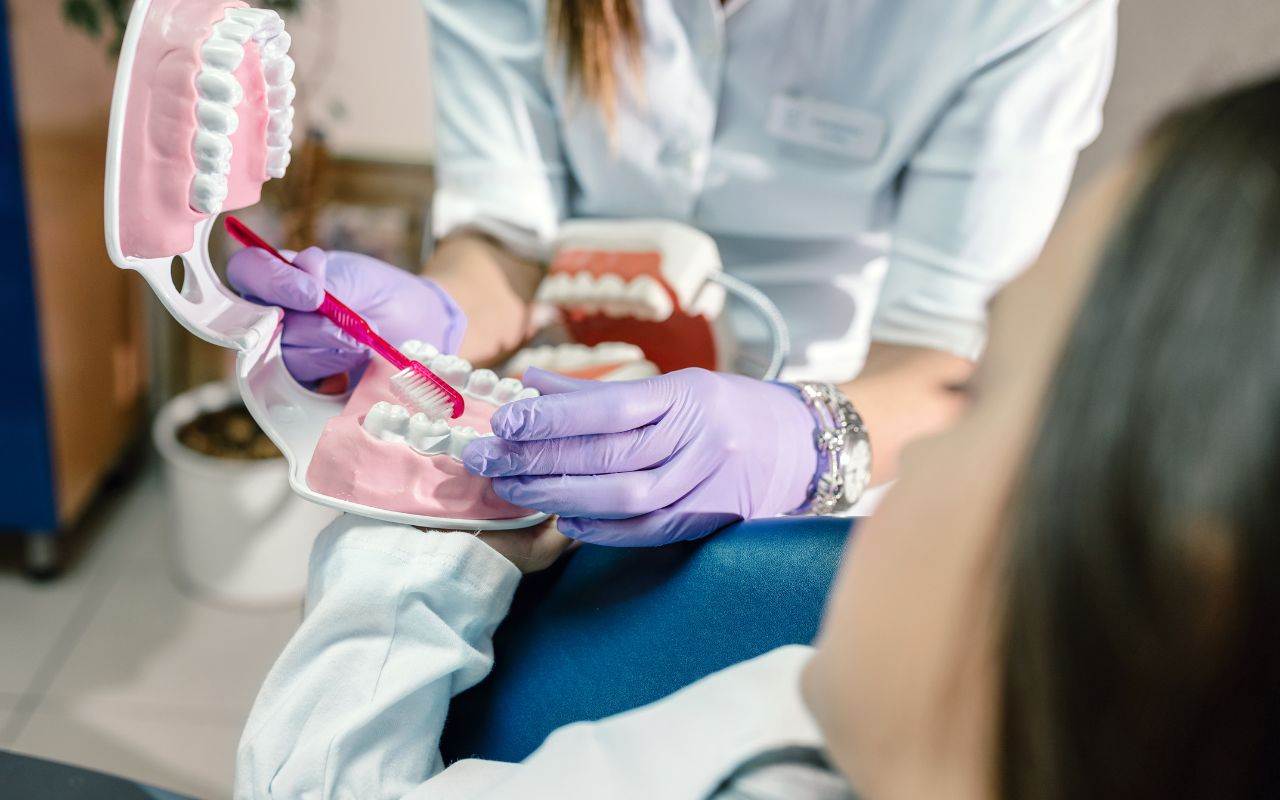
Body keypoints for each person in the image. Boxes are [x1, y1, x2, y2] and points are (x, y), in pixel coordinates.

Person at [234, 76, 1280, 799]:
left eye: (989, 391)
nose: (946, 438)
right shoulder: (803, 698)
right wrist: (446, 321)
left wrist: (415, 540)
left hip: (833, 375)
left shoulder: (759, 740)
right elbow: (498, 234)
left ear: (1180, 580)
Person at [227, 0, 1118, 544]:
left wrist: (807, 445)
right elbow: (506, 239)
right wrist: (434, 313)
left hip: (844, 411)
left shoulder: (1017, 10)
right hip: (560, 374)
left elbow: (943, 360)